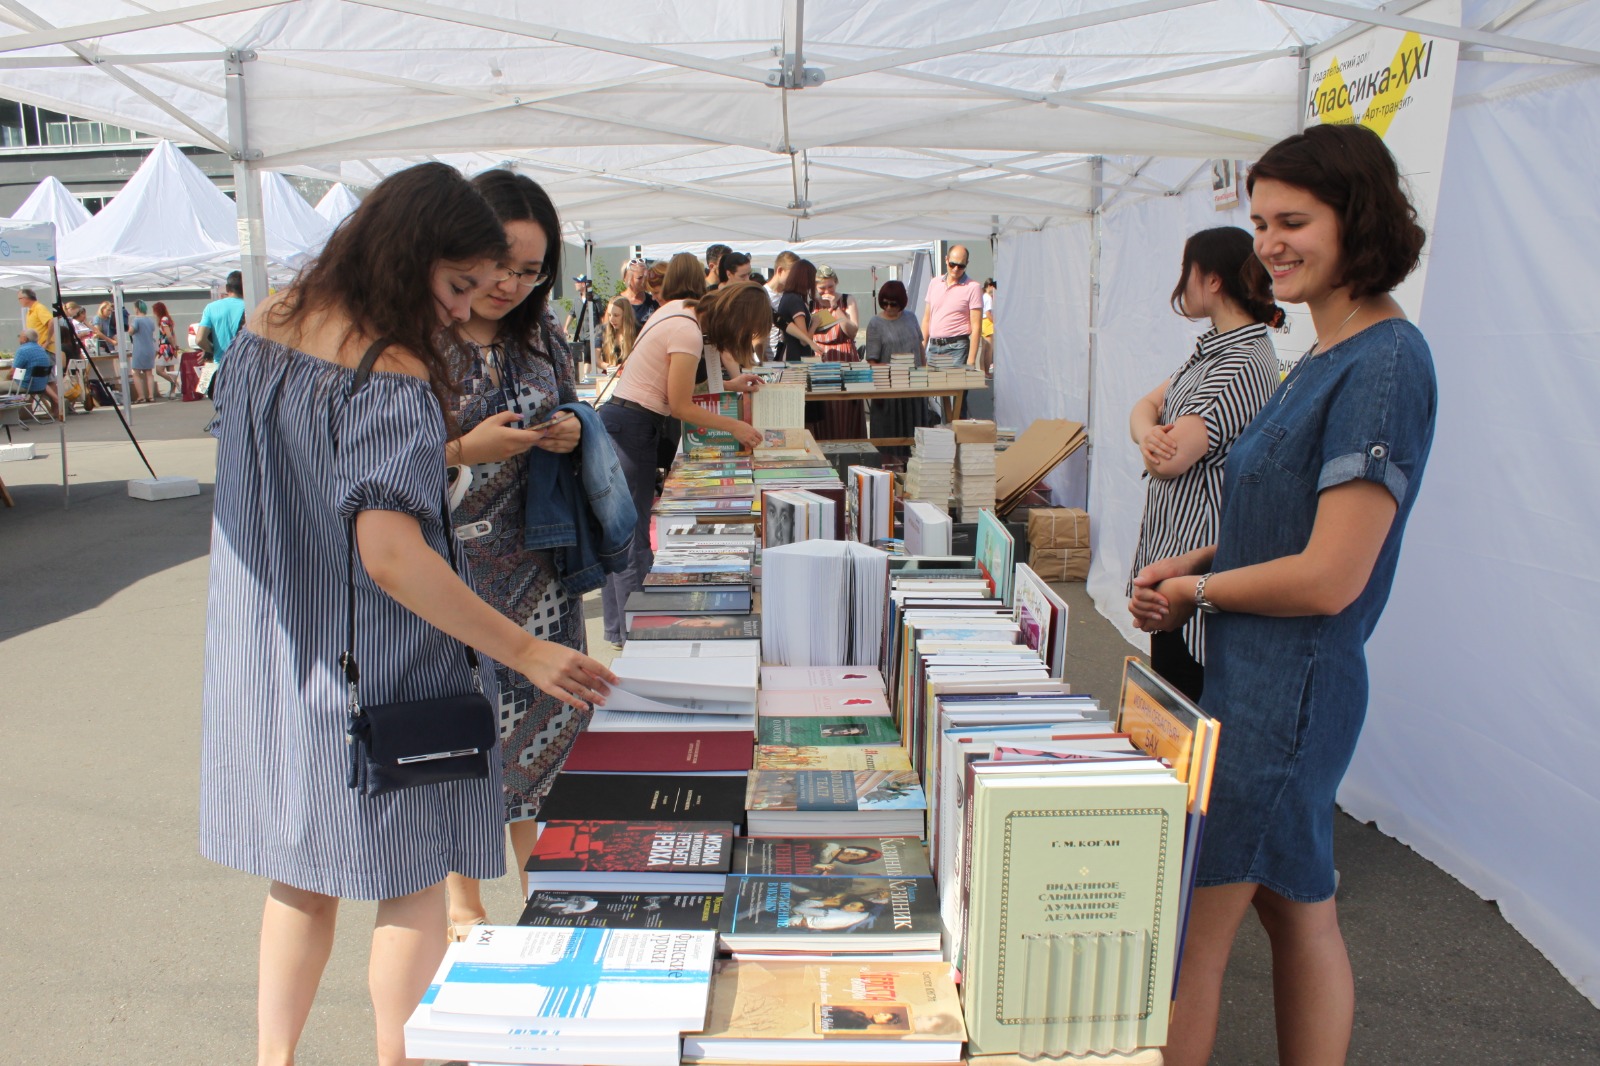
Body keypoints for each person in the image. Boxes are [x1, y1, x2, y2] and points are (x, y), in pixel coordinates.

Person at [200, 161, 616, 1066]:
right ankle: (406, 1055)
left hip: (274, 654)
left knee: (301, 880)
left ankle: (275, 1059)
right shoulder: (386, 370)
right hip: (381, 667)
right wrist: (527, 652)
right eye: (458, 283)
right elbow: (389, 553)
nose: (467, 307)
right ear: (406, 255)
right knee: (416, 881)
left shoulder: (269, 326)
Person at [1129, 123, 1435, 1066]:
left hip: (1284, 693)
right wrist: (1195, 563)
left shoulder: (1383, 361)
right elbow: (1291, 524)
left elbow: (1332, 572)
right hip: (1261, 682)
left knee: (1188, 943)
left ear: (1360, 219)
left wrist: (1198, 590)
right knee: (1299, 917)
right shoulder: (1322, 353)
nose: (1269, 243)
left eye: (1293, 220)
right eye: (1260, 221)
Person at [436, 169, 600, 941]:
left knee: (550, 730)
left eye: (531, 270)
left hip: (541, 565)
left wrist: (570, 428)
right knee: (466, 737)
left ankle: (550, 888)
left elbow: (571, 402)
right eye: (502, 263)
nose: (510, 283)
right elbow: (375, 463)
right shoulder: (421, 337)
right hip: (450, 572)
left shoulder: (541, 334)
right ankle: (462, 902)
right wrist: (466, 448)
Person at [1126, 227, 1282, 702]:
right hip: (1172, 560)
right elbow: (1142, 408)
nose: (1182, 283)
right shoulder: (1212, 348)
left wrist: (1153, 438)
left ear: (1212, 280)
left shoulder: (1242, 361)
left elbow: (1170, 461)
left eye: (1186, 271)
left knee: (1184, 707)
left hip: (1196, 573)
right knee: (1168, 704)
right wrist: (1149, 432)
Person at [598, 282, 769, 645]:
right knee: (632, 539)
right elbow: (680, 406)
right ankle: (638, 633)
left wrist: (729, 383)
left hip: (626, 422)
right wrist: (735, 425)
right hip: (632, 427)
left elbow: (673, 385)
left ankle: (619, 630)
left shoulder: (679, 309)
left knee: (622, 535)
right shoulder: (688, 333)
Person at [861, 280, 930, 439]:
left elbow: (919, 347)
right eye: (885, 304)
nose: (889, 308)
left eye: (893, 304)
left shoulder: (911, 317)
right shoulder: (875, 324)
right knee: (890, 436)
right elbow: (871, 361)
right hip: (890, 389)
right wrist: (892, 369)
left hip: (914, 386)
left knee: (916, 435)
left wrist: (924, 372)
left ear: (902, 303)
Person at [920, 244, 983, 367]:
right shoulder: (934, 283)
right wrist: (921, 349)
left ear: (967, 264)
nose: (955, 269)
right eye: (952, 264)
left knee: (954, 386)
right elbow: (927, 319)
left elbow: (976, 327)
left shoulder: (973, 287)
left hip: (957, 348)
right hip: (933, 347)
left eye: (961, 266)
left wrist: (971, 361)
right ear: (946, 260)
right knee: (933, 386)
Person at [197, 270, 247, 396]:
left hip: (220, 368)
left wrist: (211, 349)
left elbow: (199, 339)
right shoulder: (251, 307)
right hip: (245, 368)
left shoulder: (211, 308)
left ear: (227, 288)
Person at [774, 258, 817, 363]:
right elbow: (804, 340)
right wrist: (815, 324)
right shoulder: (795, 301)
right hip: (795, 356)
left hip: (790, 352)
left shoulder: (787, 297)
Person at [11, 328, 58, 418]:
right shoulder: (42, 350)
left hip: (27, 385)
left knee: (3, 386)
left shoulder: (22, 350)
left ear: (24, 338)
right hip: (41, 385)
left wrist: (8, 378)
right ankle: (24, 412)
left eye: (19, 336)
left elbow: (13, 371)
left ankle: (7, 415)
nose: (19, 338)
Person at [562, 274, 605, 365]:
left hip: (593, 333)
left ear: (584, 284)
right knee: (586, 356)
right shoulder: (576, 299)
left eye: (578, 282)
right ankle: (590, 376)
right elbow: (571, 314)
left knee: (588, 358)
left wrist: (603, 332)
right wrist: (565, 327)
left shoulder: (595, 298)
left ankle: (586, 377)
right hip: (582, 335)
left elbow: (601, 315)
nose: (575, 284)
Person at [766, 250, 797, 360]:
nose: (795, 279)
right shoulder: (762, 293)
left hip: (785, 356)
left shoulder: (791, 295)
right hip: (766, 356)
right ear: (780, 270)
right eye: (792, 275)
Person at [127, 300, 158, 404]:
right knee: (149, 373)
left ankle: (141, 396)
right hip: (150, 348)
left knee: (136, 372)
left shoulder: (136, 320)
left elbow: (131, 332)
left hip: (139, 348)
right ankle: (151, 395)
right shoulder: (150, 320)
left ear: (136, 308)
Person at [151, 300, 182, 398]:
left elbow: (168, 335)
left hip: (165, 347)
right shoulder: (168, 319)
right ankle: (172, 392)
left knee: (159, 370)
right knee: (170, 370)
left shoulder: (163, 320)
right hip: (169, 347)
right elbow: (173, 334)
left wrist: (173, 345)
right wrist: (175, 345)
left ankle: (176, 383)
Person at [600, 295, 637, 370]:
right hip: (610, 375)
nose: (612, 319)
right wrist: (611, 368)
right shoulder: (604, 330)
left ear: (626, 315)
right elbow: (596, 359)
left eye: (616, 315)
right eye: (609, 315)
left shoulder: (638, 331)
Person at [621, 257, 659, 328]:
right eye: (639, 278)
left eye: (646, 276)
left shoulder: (653, 301)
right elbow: (606, 329)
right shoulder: (618, 302)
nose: (644, 281)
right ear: (627, 278)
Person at [17, 288, 53, 360]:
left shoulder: (39, 308)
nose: (19, 301)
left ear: (26, 298)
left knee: (43, 370)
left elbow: (51, 321)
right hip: (38, 348)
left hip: (44, 348)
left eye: (19, 298)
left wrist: (47, 341)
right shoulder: (31, 310)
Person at [978, 278, 997, 375]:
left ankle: (983, 370)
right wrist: (996, 322)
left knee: (984, 349)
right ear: (990, 286)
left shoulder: (983, 296)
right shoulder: (988, 298)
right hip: (987, 322)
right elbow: (988, 313)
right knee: (989, 349)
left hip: (982, 322)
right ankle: (986, 371)